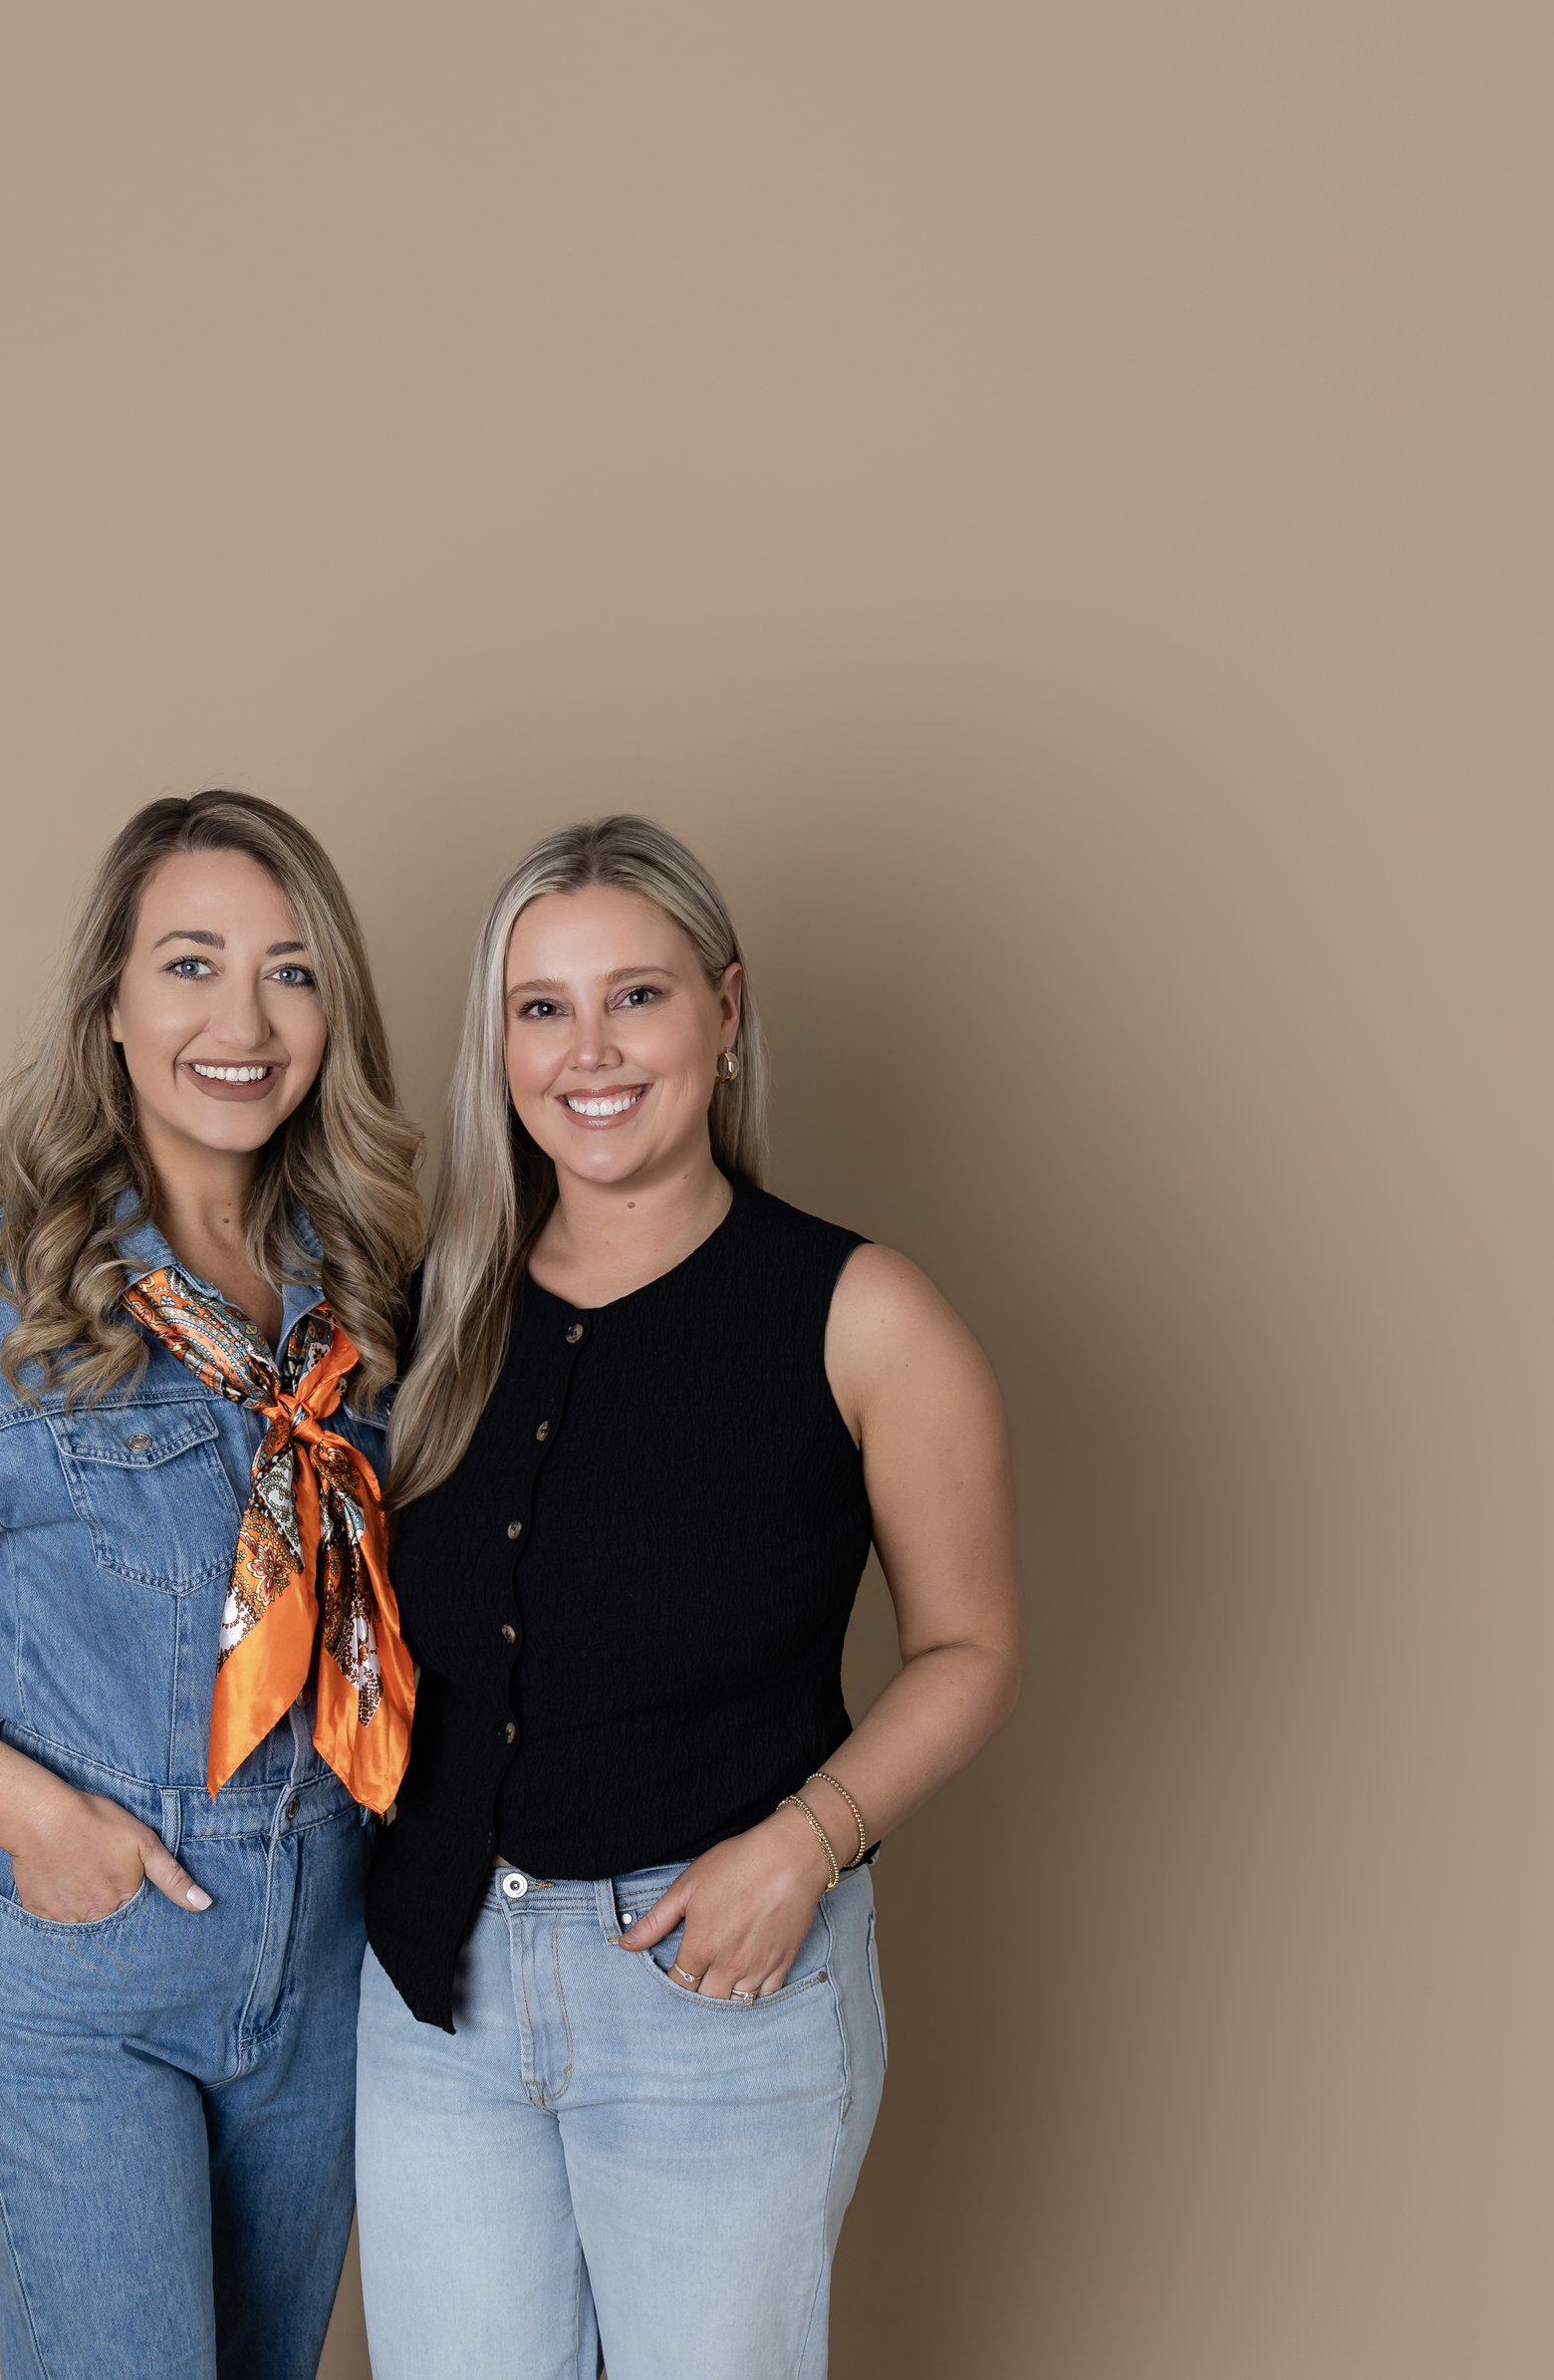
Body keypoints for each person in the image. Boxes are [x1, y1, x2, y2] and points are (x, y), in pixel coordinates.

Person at [0, 790, 421, 2380]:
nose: (241, 1022)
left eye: (291, 971)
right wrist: (33, 1815)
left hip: (328, 1956)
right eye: (190, 965)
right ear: (111, 1003)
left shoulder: (375, 1287)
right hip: (90, 1966)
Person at [356, 814, 1023, 2380]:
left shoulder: (861, 1313)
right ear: (501, 1046)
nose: (589, 1051)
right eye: (542, 1008)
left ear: (725, 1012)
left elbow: (972, 1646)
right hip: (435, 1999)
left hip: (718, 1990)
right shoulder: (425, 1310)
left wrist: (807, 1843)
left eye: (636, 997)